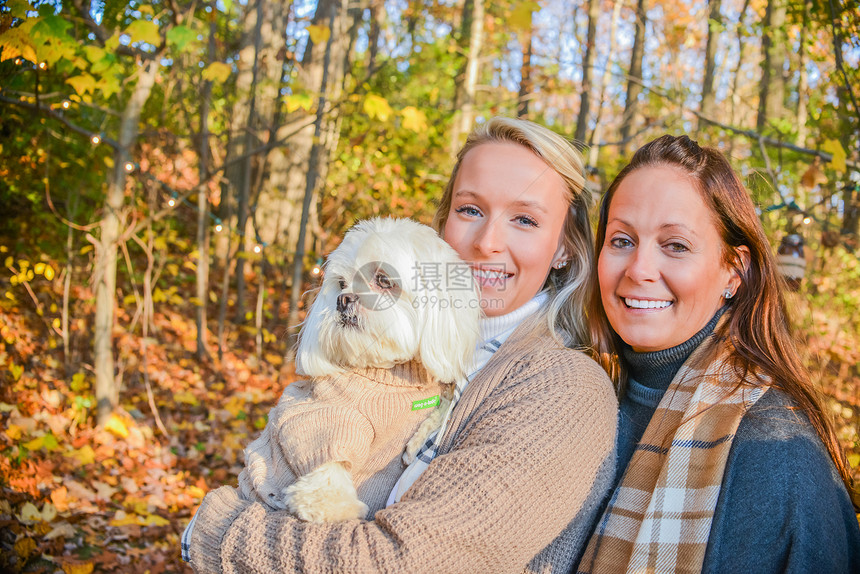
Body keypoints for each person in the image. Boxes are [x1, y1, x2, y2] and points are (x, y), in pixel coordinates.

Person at [184, 117, 618, 573]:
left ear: (564, 248)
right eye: (470, 210)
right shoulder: (398, 347)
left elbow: (400, 563)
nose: (487, 243)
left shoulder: (564, 389)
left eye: (525, 219)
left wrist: (216, 532)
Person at [578, 134, 860, 573]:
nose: (638, 269)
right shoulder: (570, 391)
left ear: (734, 271)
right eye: (621, 240)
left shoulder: (775, 451)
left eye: (675, 245)